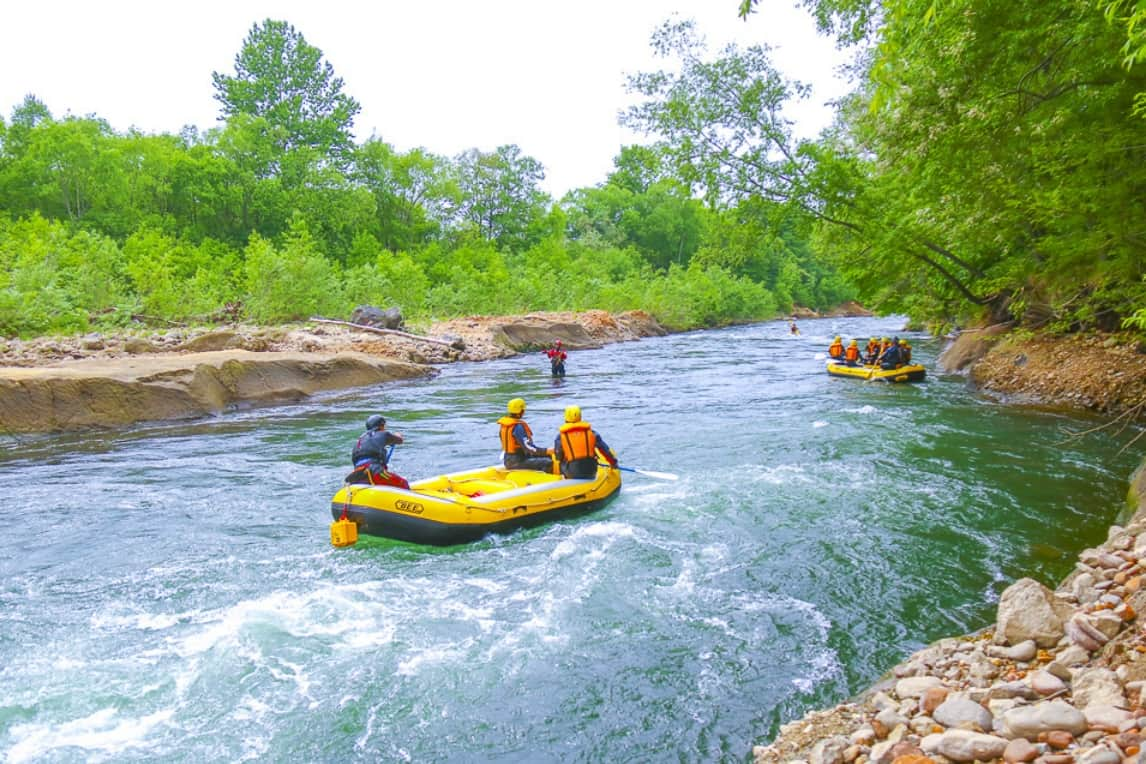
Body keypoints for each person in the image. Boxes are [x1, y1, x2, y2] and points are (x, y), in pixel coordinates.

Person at [553, 405, 618, 479]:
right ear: (580, 417)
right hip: (591, 470)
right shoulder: (592, 433)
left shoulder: (560, 437)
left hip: (572, 472)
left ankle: (566, 480)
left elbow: (558, 456)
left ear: (566, 418)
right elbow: (605, 450)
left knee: (560, 462)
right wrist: (613, 463)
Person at [346, 414, 409, 488]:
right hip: (374, 471)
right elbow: (399, 440)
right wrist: (398, 435)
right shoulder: (383, 434)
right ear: (381, 426)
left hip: (358, 476)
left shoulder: (359, 441)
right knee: (403, 483)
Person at [498, 398, 554, 472]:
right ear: (520, 411)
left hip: (508, 459)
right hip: (517, 461)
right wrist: (546, 451)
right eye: (523, 410)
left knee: (546, 456)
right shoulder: (518, 427)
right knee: (548, 462)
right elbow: (529, 447)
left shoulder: (504, 426)